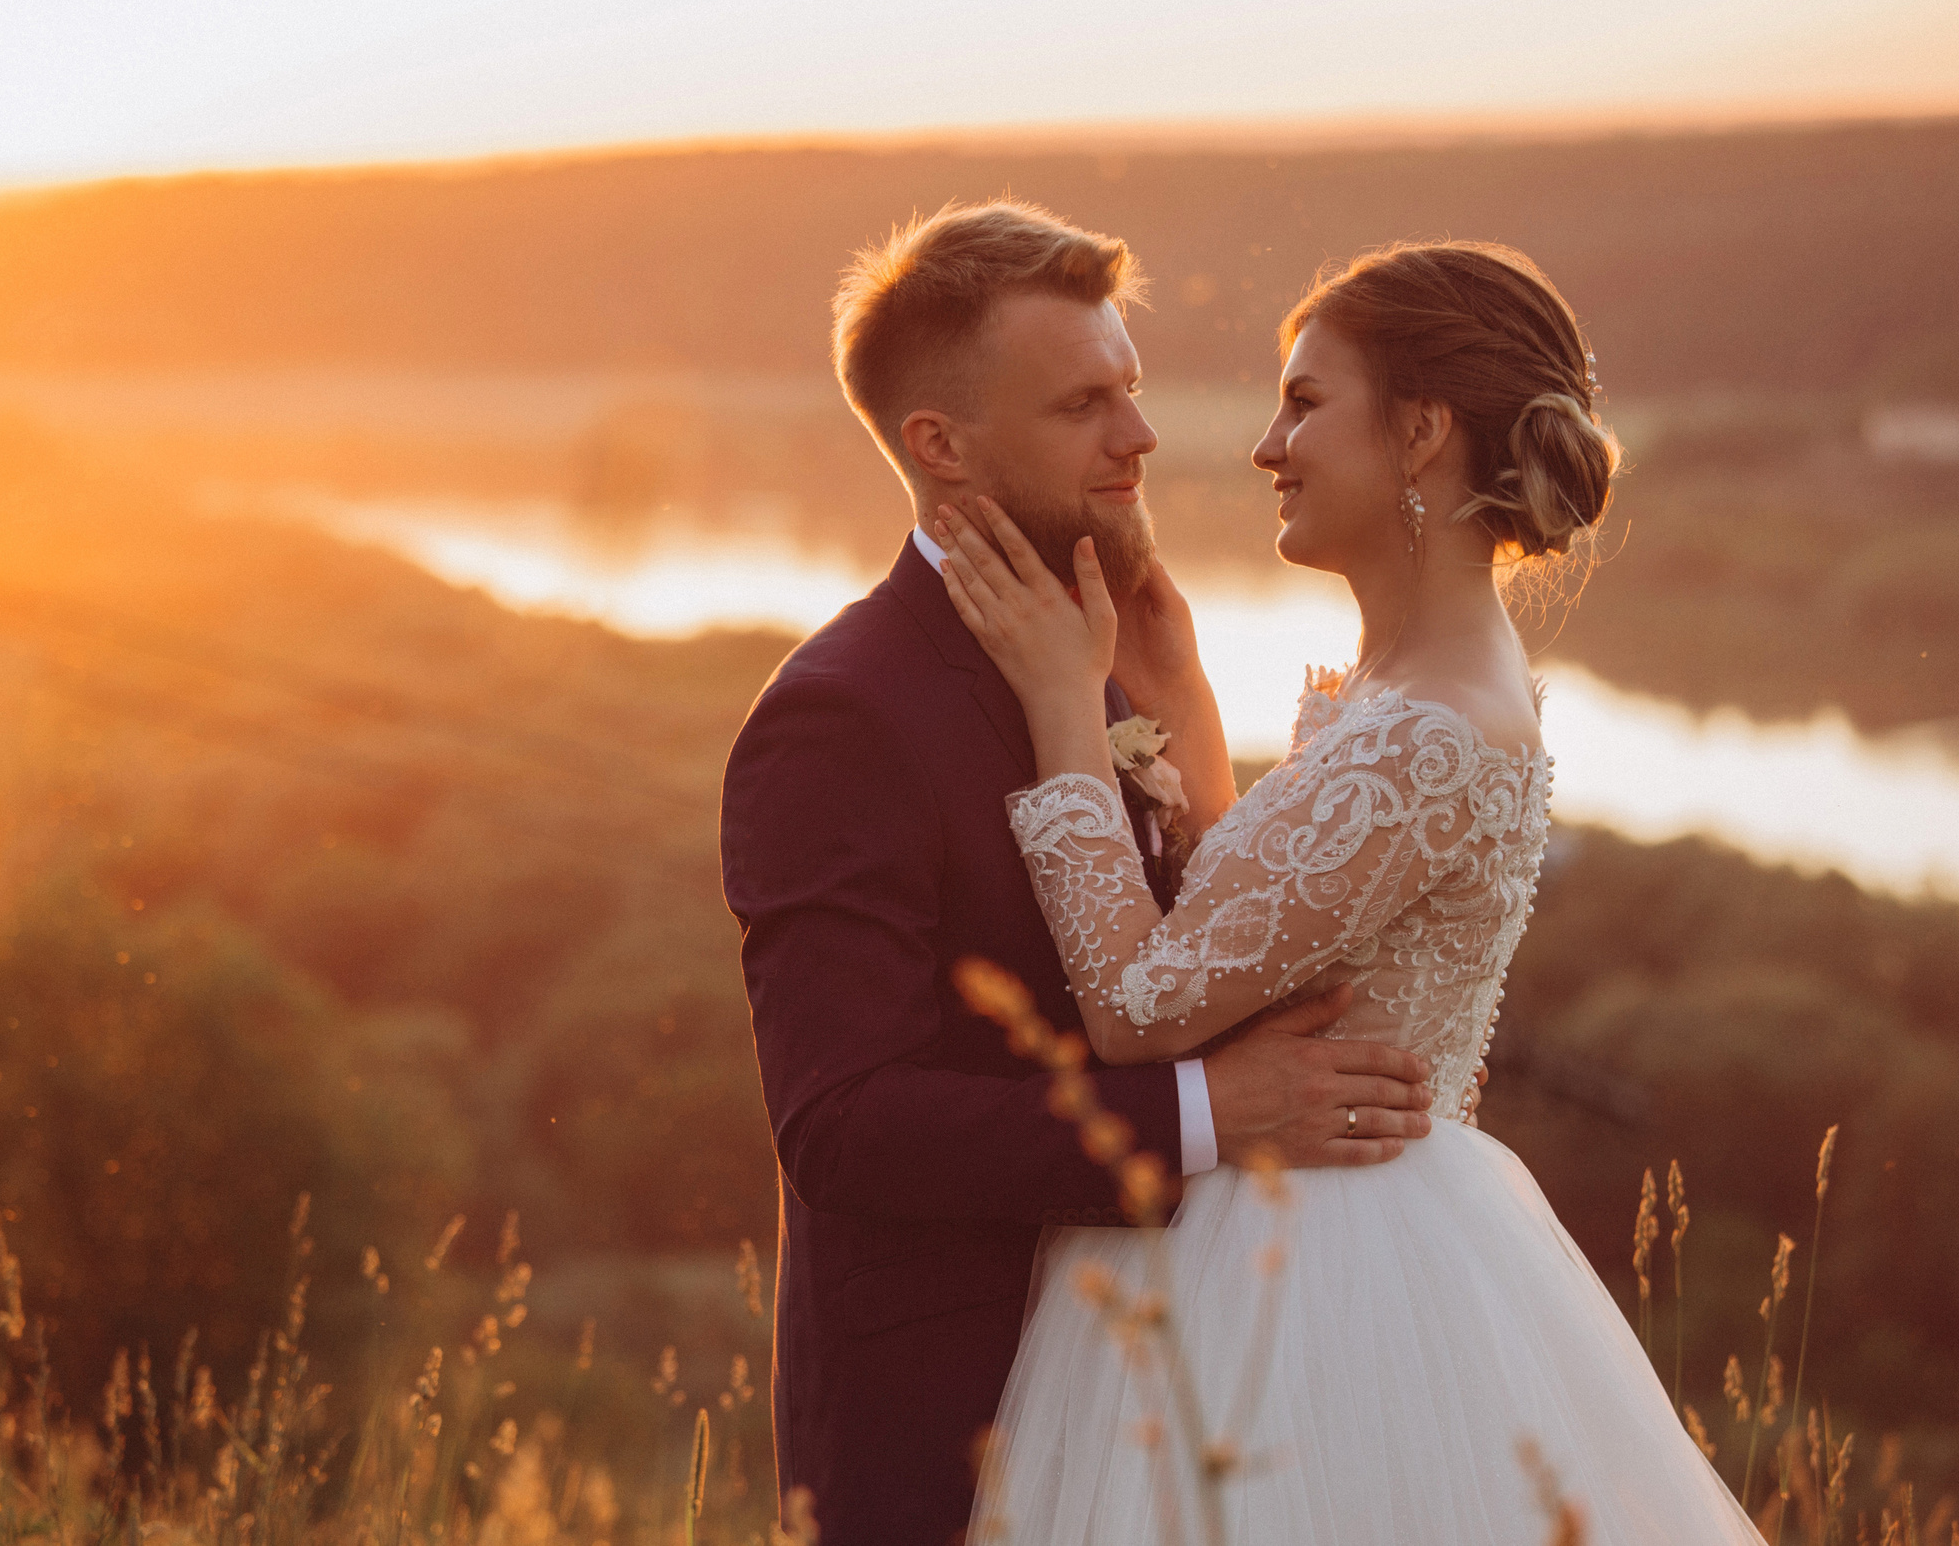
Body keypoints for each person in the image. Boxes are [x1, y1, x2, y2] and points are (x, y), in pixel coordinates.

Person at [941, 240, 1765, 1541]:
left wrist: (1061, 704)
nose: (1268, 445)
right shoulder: (1412, 687)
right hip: (1340, 1225)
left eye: (1307, 402)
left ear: (1424, 430)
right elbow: (1258, 929)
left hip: (1319, 1280)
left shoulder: (1427, 729)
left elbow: (1143, 1006)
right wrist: (1185, 700)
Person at [719, 202, 1439, 1546]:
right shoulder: (841, 713)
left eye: (1135, 389)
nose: (1141, 436)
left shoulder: (1109, 650)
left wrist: (1184, 709)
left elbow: (1182, 953)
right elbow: (841, 1124)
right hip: (952, 1418)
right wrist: (1210, 1113)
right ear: (941, 445)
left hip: (1169, 1387)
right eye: (1084, 404)